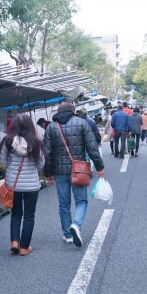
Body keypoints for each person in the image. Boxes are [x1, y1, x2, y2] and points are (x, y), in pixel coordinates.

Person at [44, 102, 105, 248]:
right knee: (81, 201)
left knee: (64, 204)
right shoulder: (82, 123)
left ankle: (68, 235)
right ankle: (76, 224)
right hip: (79, 170)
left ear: (58, 111)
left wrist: (48, 173)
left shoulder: (51, 127)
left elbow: (47, 153)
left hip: (60, 172)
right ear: (73, 111)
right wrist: (100, 167)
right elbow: (92, 148)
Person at [0, 114, 45, 256]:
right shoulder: (36, 142)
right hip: (32, 186)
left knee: (16, 214)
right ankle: (24, 247)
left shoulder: (7, 141)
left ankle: (14, 242)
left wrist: (11, 170)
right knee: (29, 216)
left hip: (14, 185)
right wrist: (32, 171)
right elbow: (41, 164)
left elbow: (3, 161)